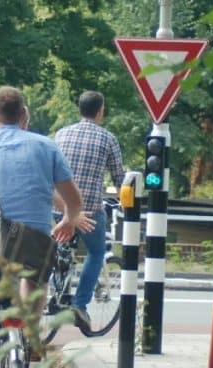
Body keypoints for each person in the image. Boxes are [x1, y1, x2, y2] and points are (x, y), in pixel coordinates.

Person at [0, 86, 88, 368]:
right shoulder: (46, 147)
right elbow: (73, 198)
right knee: (34, 277)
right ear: (23, 115)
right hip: (32, 244)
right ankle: (26, 331)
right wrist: (69, 220)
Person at [54, 90, 125, 327]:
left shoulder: (61, 134)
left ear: (80, 109)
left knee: (56, 249)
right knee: (96, 253)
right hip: (90, 210)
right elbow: (119, 179)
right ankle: (80, 305)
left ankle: (57, 290)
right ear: (100, 111)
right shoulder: (107, 139)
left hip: (60, 207)